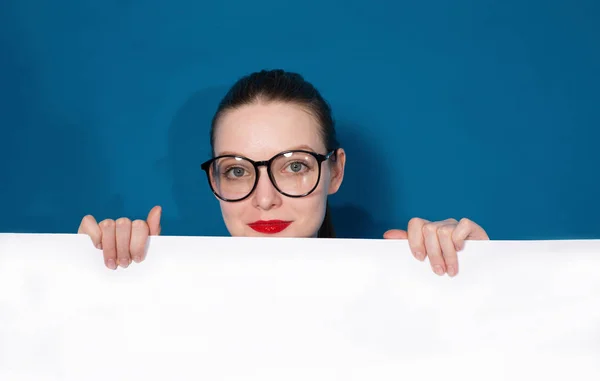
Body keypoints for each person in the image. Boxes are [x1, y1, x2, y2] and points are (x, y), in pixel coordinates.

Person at [78, 69, 489, 277]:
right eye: (238, 170)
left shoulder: (402, 297)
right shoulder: (161, 304)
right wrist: (89, 276)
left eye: (294, 166)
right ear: (216, 183)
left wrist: (482, 273)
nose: (264, 198)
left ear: (335, 171)